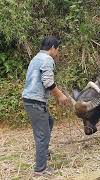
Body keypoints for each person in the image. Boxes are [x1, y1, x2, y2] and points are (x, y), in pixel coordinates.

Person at [22, 36, 69, 176]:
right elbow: (48, 82)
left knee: (49, 121)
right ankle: (40, 169)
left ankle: (44, 152)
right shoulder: (47, 59)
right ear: (53, 48)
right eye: (58, 49)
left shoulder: (36, 58)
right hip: (35, 101)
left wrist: (55, 94)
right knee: (43, 135)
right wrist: (60, 95)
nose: (58, 53)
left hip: (30, 99)